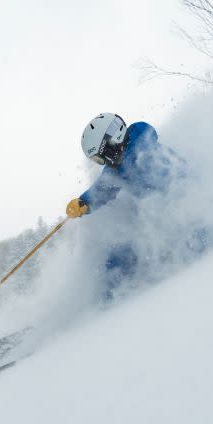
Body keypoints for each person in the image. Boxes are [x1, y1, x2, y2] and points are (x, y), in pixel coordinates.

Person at [65, 112, 199, 299]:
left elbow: (178, 190)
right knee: (116, 258)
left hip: (183, 219)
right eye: (98, 161)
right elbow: (102, 190)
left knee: (135, 250)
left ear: (110, 144)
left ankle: (124, 297)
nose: (102, 163)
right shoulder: (119, 168)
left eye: (100, 158)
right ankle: (106, 299)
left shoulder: (145, 152)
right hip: (157, 223)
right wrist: (84, 203)